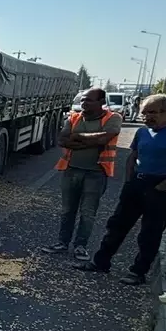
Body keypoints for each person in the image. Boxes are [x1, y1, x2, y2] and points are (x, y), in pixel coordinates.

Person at [80, 93, 166, 284]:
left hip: (160, 187)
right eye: (144, 113)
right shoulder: (142, 132)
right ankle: (100, 262)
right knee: (117, 225)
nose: (147, 117)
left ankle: (138, 272)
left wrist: (164, 185)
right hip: (137, 183)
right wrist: (129, 180)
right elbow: (132, 156)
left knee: (150, 231)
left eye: (152, 113)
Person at [42, 88, 121, 261]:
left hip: (96, 173)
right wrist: (89, 141)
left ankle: (80, 246)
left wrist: (76, 137)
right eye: (83, 100)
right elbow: (62, 140)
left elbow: (103, 139)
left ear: (101, 102)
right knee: (67, 210)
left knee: (88, 213)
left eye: (89, 100)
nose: (84, 103)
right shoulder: (74, 117)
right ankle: (62, 243)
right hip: (72, 170)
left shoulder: (113, 118)